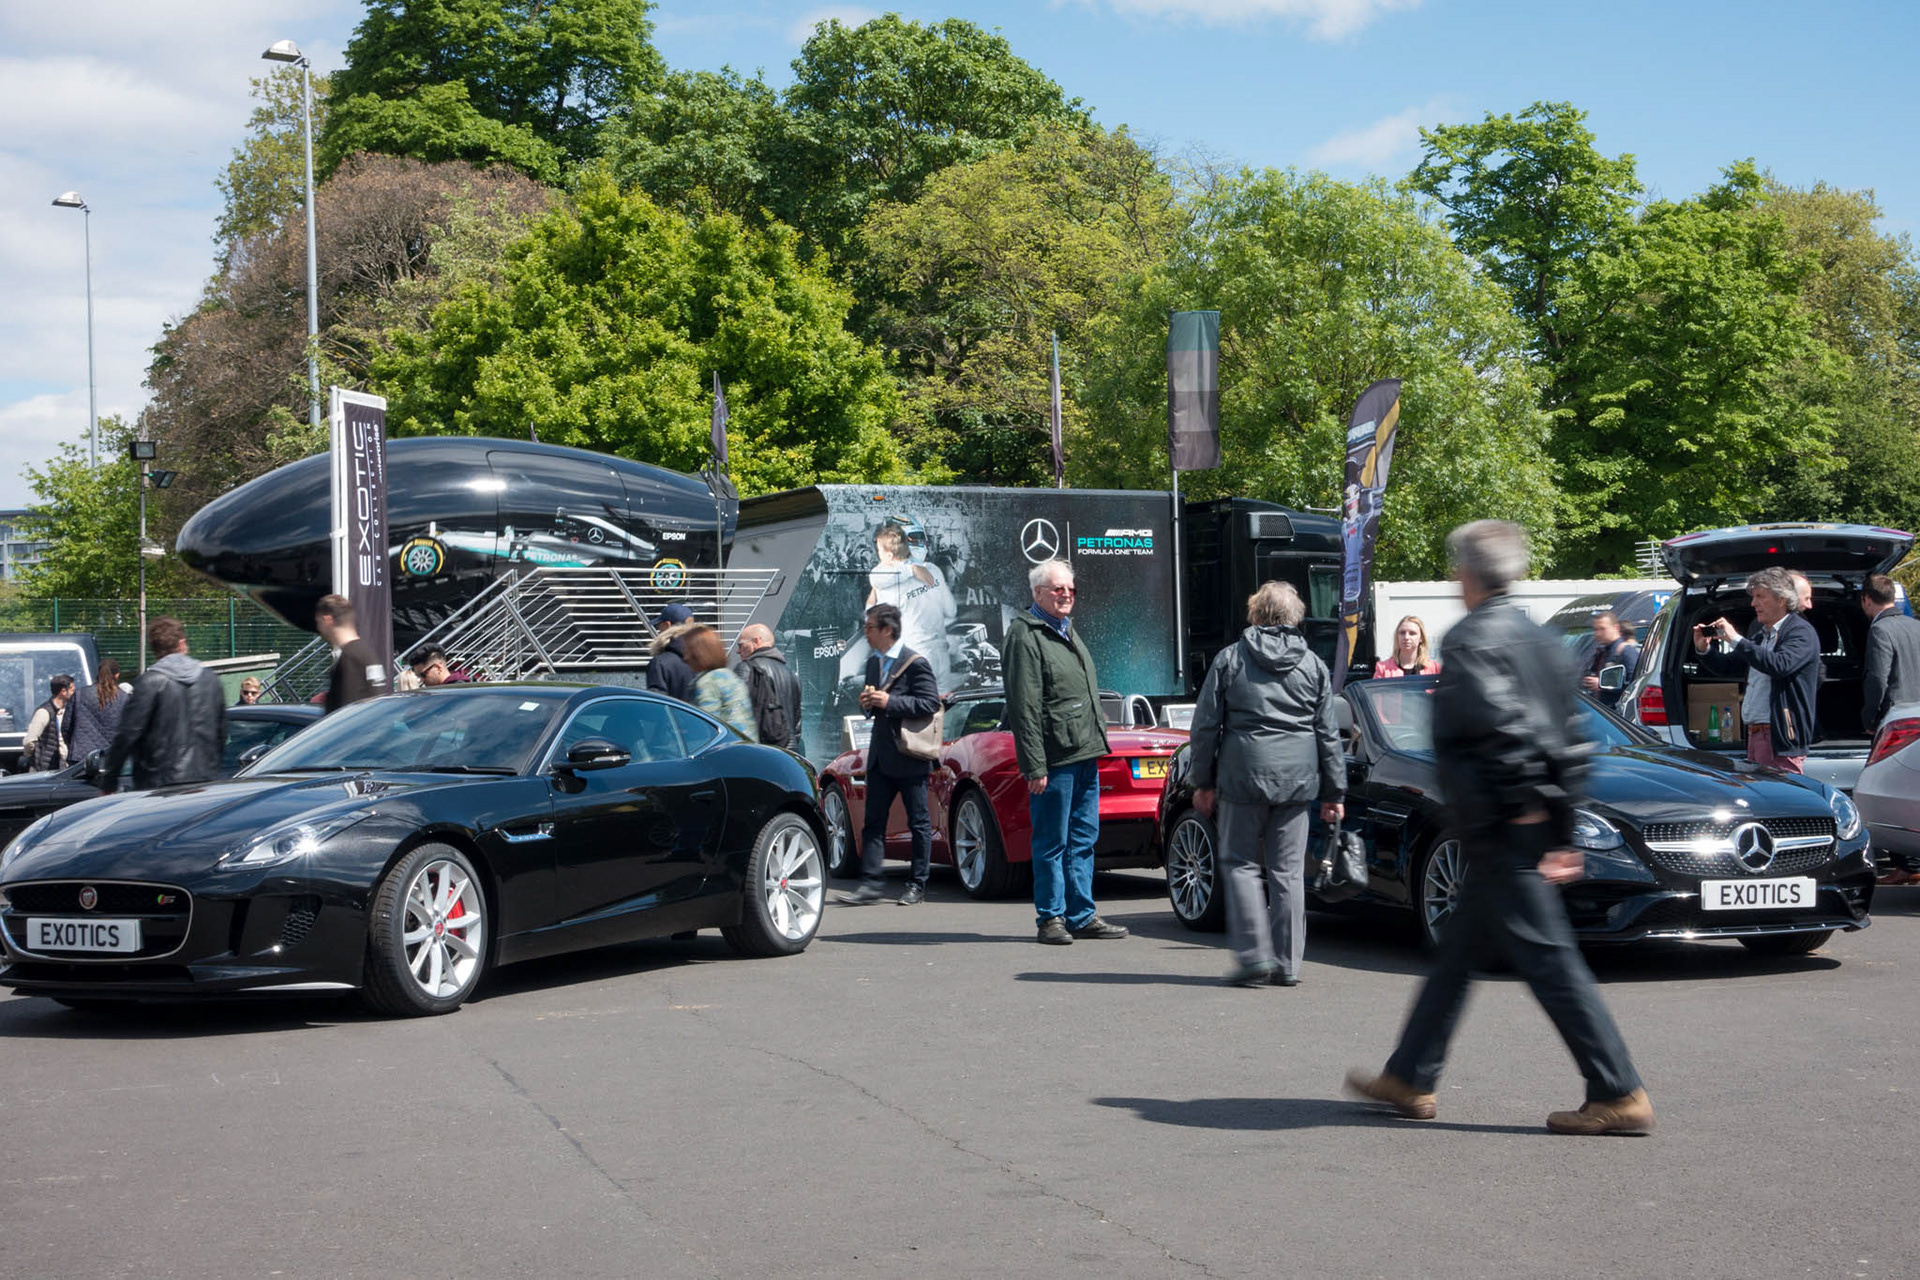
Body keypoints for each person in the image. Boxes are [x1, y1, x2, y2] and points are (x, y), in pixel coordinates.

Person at [1346, 520, 1652, 1136]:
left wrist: (1525, 810)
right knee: (1457, 958)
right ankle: (1410, 1076)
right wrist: (1559, 828)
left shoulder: (1472, 639)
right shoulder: (1543, 642)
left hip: (1502, 826)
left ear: (1467, 574)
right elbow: (1572, 741)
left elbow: (1504, 730)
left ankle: (1617, 1090)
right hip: (1515, 827)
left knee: (1551, 962)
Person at [1189, 581, 1346, 987]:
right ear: (1296, 616)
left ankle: (1254, 956)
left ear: (1256, 613)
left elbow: (1205, 726)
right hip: (1297, 783)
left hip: (1243, 778)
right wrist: (1335, 793)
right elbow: (1328, 734)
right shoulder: (1313, 664)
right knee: (1288, 873)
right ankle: (1287, 964)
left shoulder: (1231, 659)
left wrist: (1202, 780)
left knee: (1240, 865)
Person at [1004, 560, 1129, 944]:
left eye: (1071, 589)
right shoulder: (1026, 635)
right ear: (1038, 592)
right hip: (1055, 758)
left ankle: (1081, 915)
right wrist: (1034, 765)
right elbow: (1024, 706)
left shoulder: (1064, 629)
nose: (1066, 595)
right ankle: (1051, 918)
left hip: (1084, 752)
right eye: (1058, 589)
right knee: (1051, 840)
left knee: (1083, 838)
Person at [838, 604, 941, 906]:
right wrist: (868, 704)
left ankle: (917, 884)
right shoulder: (873, 663)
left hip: (909, 756)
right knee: (873, 822)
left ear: (887, 630)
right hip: (881, 757)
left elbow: (929, 703)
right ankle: (870, 883)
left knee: (918, 822)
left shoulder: (915, 663)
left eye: (870, 627)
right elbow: (875, 709)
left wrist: (890, 702)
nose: (866, 633)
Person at [1693, 566, 1819, 773]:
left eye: (1760, 596)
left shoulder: (1801, 632)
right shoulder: (1762, 635)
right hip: (1756, 733)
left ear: (1781, 599)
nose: (1753, 603)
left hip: (1780, 736)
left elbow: (1779, 665)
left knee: (1780, 792)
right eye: (1753, 597)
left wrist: (1735, 639)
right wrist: (1704, 650)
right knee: (1760, 791)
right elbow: (1730, 667)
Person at [101, 616, 229, 793]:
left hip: (158, 783)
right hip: (204, 781)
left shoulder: (149, 683)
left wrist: (109, 780)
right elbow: (221, 733)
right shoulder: (211, 680)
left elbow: (127, 735)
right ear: (182, 644)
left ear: (154, 649)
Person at [864, 520, 956, 693]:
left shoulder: (886, 584)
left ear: (889, 555)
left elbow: (870, 616)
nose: (878, 555)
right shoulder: (933, 570)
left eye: (879, 551)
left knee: (914, 706)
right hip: (941, 655)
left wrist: (874, 594)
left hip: (913, 658)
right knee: (942, 705)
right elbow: (951, 610)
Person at [315, 594, 392, 714]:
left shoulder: (350, 658)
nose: (319, 628)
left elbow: (346, 714)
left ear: (328, 620)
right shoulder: (367, 653)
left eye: (319, 622)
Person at [1862, 574, 1920, 732]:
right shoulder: (1917, 626)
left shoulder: (1880, 630)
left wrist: (1870, 717)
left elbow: (1878, 678)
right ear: (1893, 597)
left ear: (1867, 599)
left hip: (1895, 718)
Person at [682, 625, 759, 742]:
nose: (685, 657)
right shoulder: (729, 676)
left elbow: (705, 727)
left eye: (688, 651)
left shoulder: (707, 682)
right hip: (746, 745)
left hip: (726, 748)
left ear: (699, 653)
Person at [735, 623, 802, 750]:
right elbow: (797, 725)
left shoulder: (747, 668)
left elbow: (736, 716)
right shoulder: (791, 674)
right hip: (789, 752)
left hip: (760, 752)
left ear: (756, 641)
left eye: (741, 645)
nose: (738, 651)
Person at [68, 660, 128, 761]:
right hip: (112, 757)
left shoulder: (80, 694)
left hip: (81, 756)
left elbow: (66, 726)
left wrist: (73, 744)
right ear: (117, 675)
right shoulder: (124, 698)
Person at [1580, 611, 1640, 707]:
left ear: (1616, 628)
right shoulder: (1602, 653)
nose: (1598, 634)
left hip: (1616, 712)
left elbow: (1634, 686)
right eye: (1595, 629)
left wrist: (1602, 685)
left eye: (1602, 629)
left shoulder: (1626, 652)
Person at [20, 674, 74, 773]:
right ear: (63, 691)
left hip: (60, 768)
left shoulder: (65, 711)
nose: (73, 694)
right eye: (72, 690)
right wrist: (32, 758)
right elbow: (30, 741)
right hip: (43, 769)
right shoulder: (44, 712)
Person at [647, 603, 698, 703]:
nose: (659, 630)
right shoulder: (705, 658)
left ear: (667, 625)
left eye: (659, 626)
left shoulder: (661, 663)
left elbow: (657, 703)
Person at [1371, 615, 1440, 679]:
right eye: (1402, 633)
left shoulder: (1434, 668)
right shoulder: (1383, 668)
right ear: (1397, 637)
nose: (1406, 637)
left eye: (1412, 633)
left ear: (1421, 638)